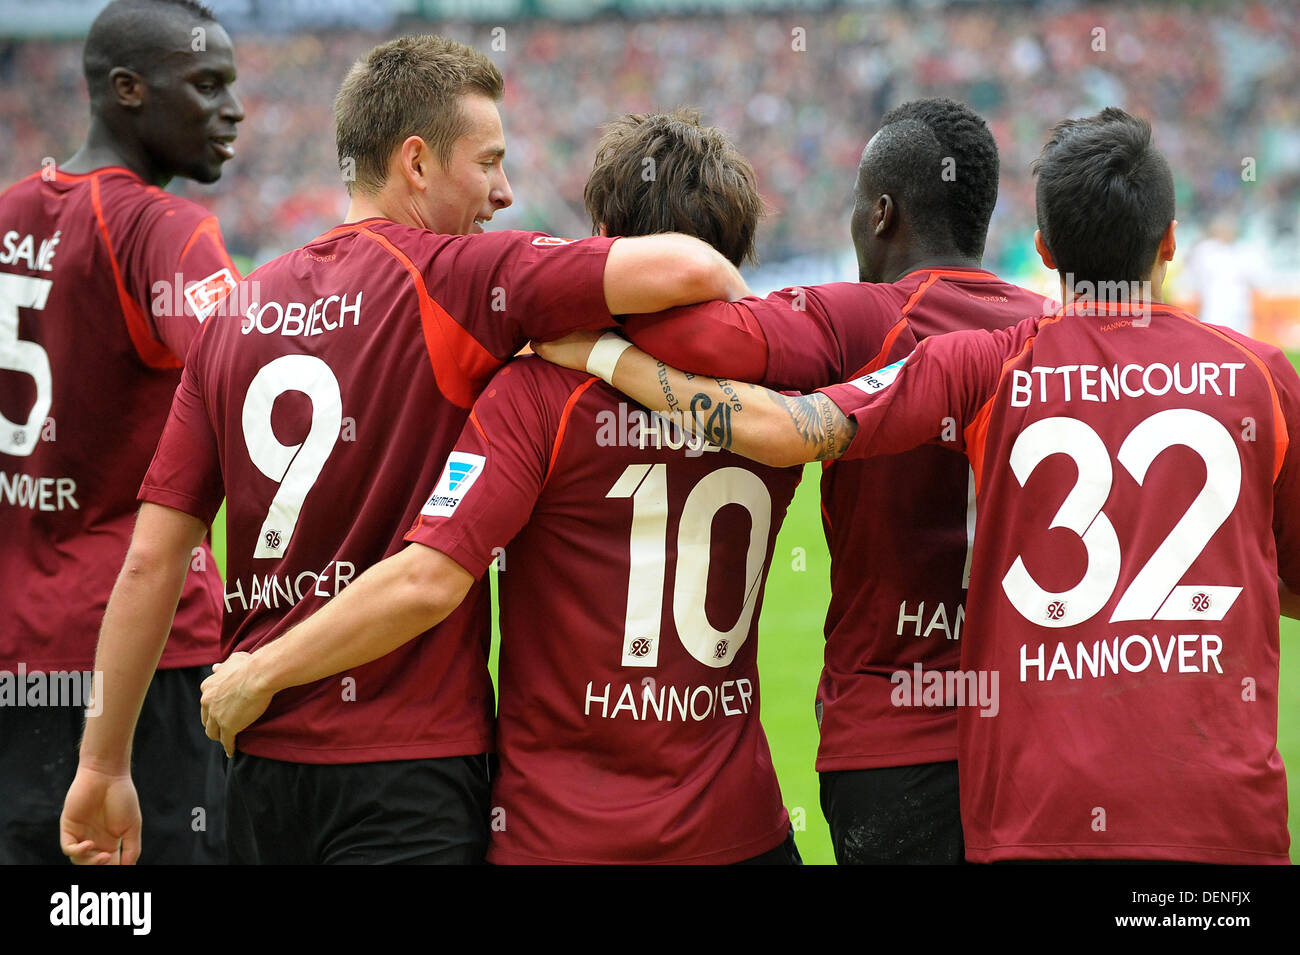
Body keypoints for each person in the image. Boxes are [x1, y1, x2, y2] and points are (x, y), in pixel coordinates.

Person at [536, 107, 1300, 863]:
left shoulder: (938, 344)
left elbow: (720, 359)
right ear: (1169, 241)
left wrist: (572, 317)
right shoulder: (1221, 366)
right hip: (1090, 755)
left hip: (903, 747)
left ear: (881, 213)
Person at [61, 37, 747, 866]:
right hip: (408, 771)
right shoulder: (460, 279)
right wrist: (601, 354)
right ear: (416, 163)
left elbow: (150, 563)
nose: (505, 192)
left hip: (252, 765)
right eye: (489, 162)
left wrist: (101, 763)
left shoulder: (234, 316)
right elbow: (692, 265)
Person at [201, 108, 803, 864]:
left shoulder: (534, 395)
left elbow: (429, 577)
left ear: (607, 244)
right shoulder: (783, 401)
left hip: (562, 834)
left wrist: (260, 671)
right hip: (739, 826)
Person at [615, 98, 1051, 863]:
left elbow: (682, 329)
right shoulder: (1055, 331)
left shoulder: (858, 321)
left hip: (894, 747)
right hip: (1039, 738)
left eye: (856, 205)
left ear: (881, 214)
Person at [0, 0, 243, 865]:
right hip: (140, 664)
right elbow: (244, 379)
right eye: (207, 84)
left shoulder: (6, 214)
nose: (234, 110)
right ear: (128, 91)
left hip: (18, 657)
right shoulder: (166, 232)